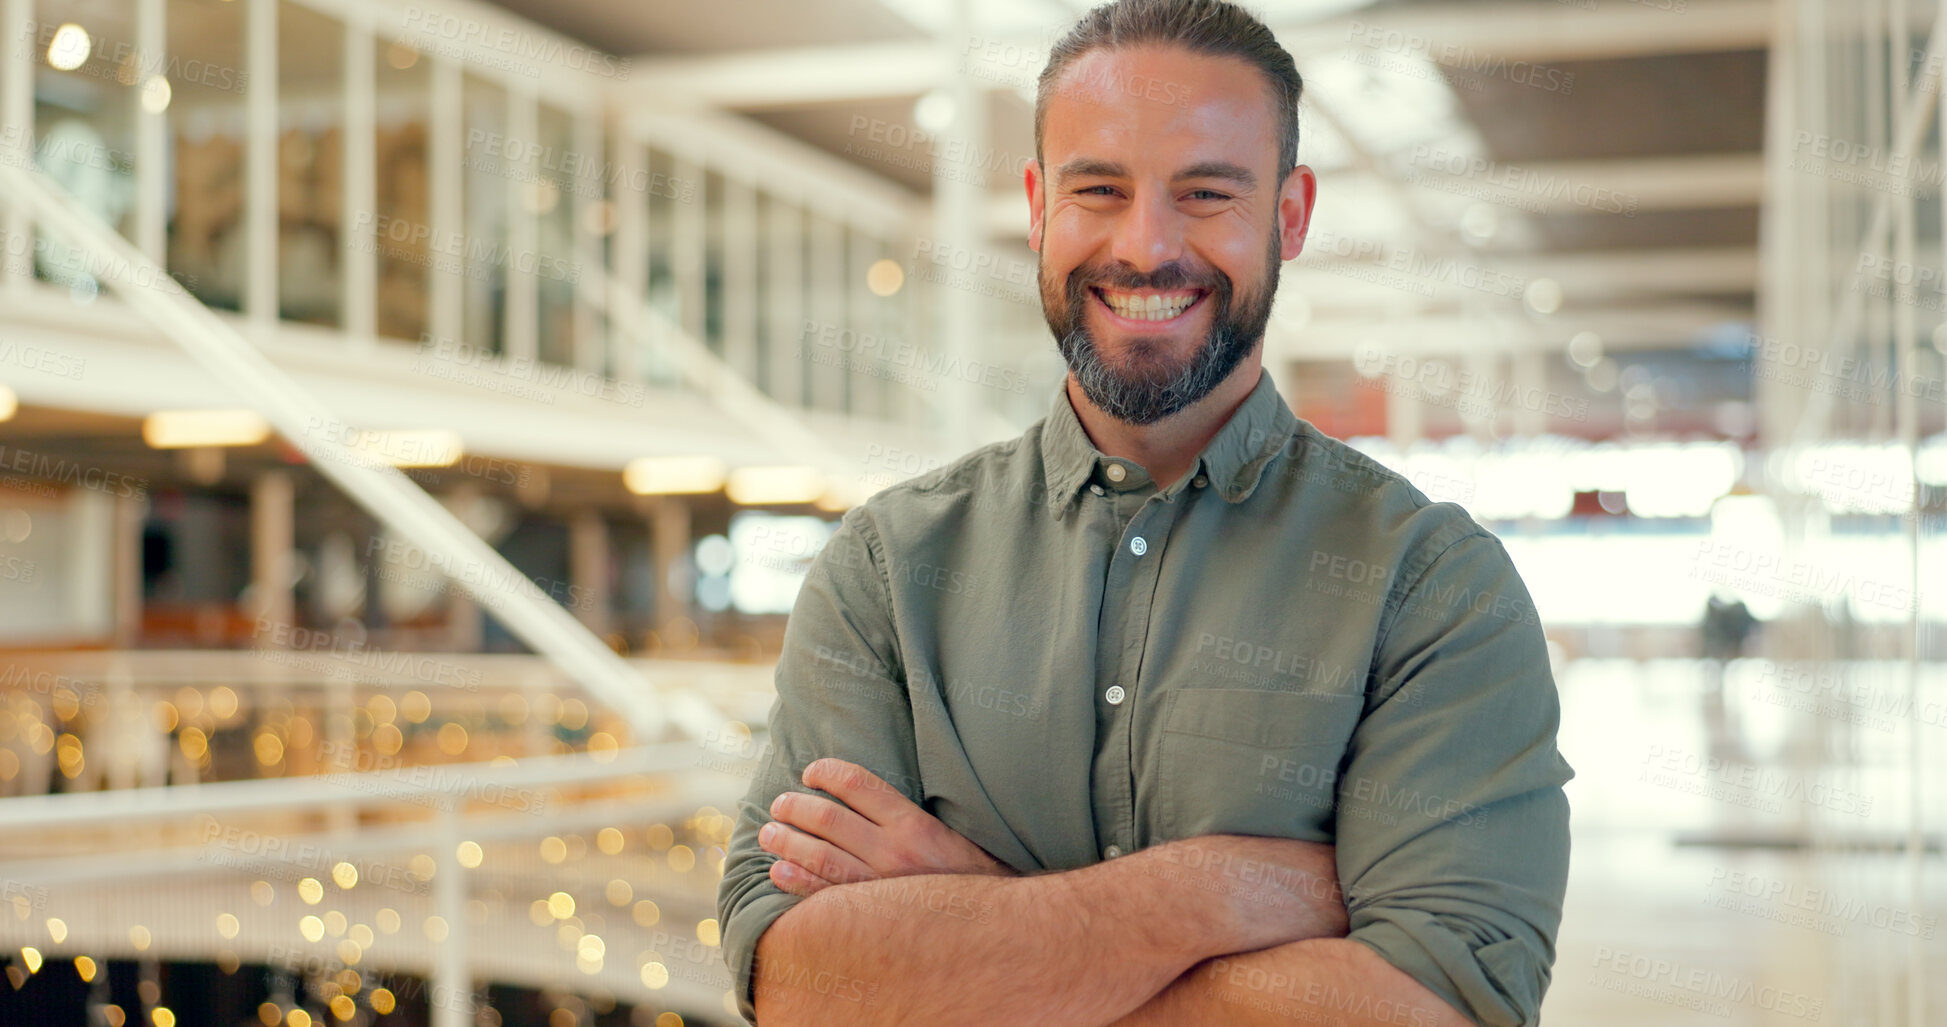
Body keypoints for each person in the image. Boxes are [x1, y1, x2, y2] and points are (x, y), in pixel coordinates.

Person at [716, 2, 1573, 1024]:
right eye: (1099, 190)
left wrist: (973, 928)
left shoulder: (1430, 589)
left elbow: (1436, 1010)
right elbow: (807, 988)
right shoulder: (887, 571)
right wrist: (1214, 890)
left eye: (1207, 193)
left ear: (1290, 217)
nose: (1147, 245)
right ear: (1037, 206)